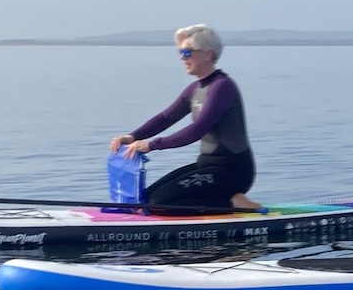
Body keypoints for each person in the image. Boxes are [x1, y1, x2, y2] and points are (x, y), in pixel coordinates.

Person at [109, 24, 262, 211]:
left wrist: (151, 145)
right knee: (146, 198)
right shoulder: (194, 90)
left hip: (232, 172)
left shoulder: (222, 87)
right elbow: (166, 118)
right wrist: (133, 137)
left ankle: (232, 203)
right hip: (206, 166)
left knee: (158, 204)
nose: (182, 57)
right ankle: (226, 201)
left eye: (188, 52)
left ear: (207, 54)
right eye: (181, 52)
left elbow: (197, 130)